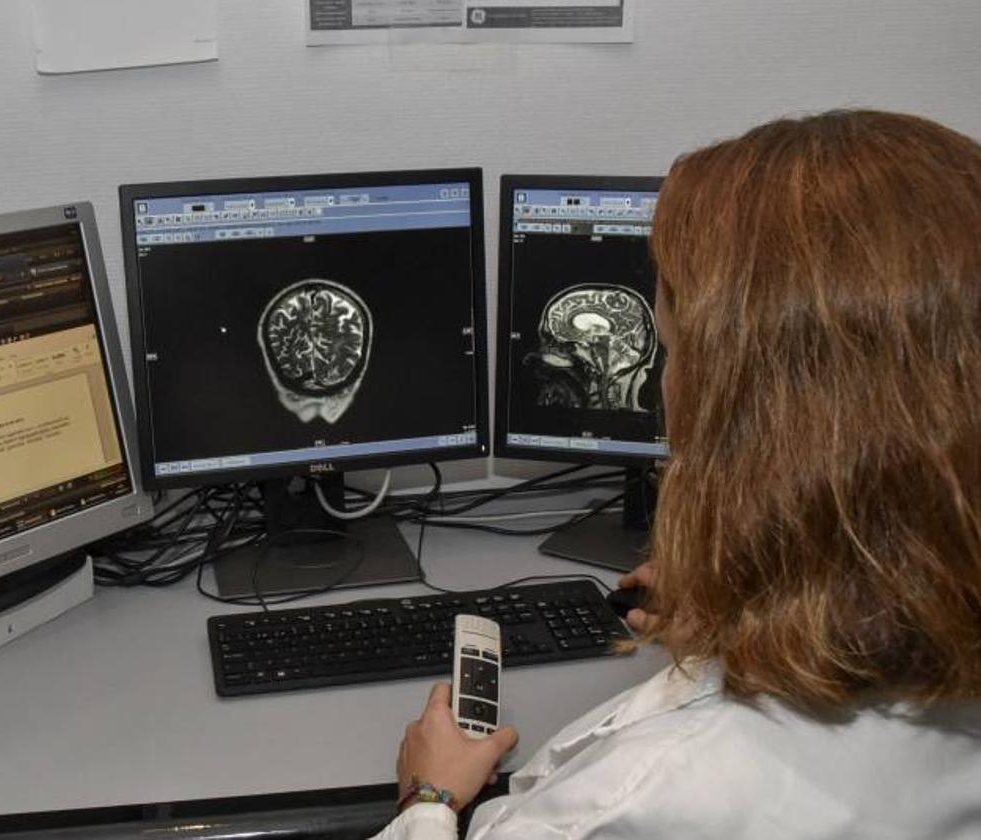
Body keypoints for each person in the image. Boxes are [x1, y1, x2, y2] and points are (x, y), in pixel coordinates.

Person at [370, 110, 981, 839]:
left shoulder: (642, 799)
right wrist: (751, 602)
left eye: (674, 349)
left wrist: (431, 801)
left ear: (738, 403)